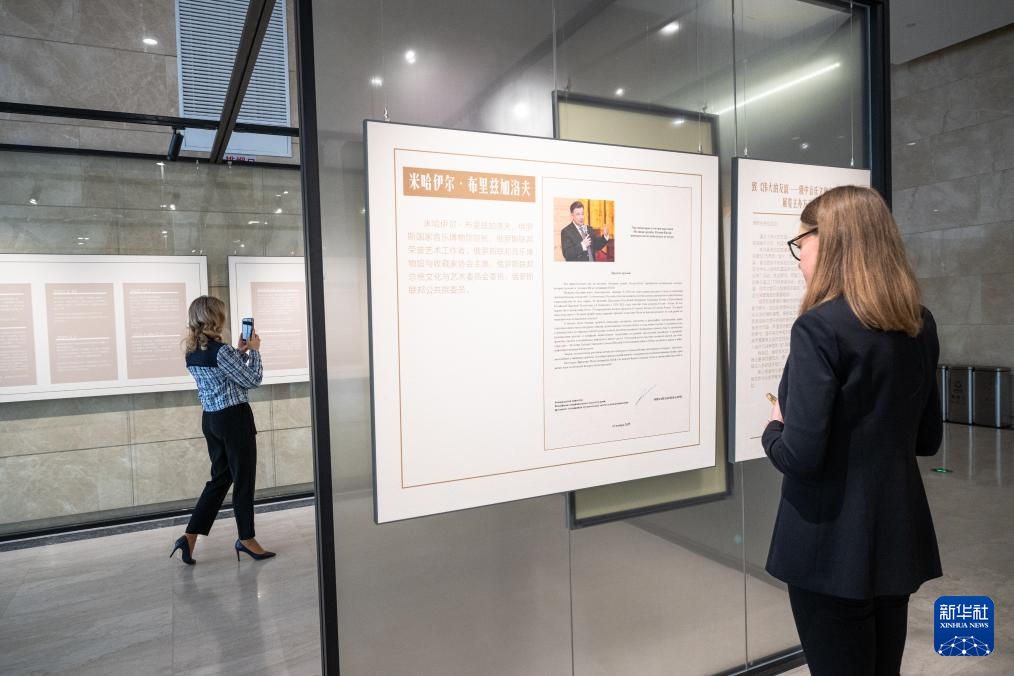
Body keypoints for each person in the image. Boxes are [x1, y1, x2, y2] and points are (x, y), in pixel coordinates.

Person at [763, 186, 942, 676]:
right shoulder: (919, 323)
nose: (799, 257)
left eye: (801, 243)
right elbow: (928, 439)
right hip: (896, 536)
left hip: (828, 543)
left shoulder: (819, 328)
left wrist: (773, 430)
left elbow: (800, 456)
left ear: (829, 242)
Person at [169, 296, 275, 564]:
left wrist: (241, 351)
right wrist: (255, 351)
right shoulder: (221, 351)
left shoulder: (192, 352)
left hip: (211, 420)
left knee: (219, 479)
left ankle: (189, 536)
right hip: (234, 420)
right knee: (243, 480)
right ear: (216, 318)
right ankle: (247, 539)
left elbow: (223, 374)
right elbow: (253, 380)